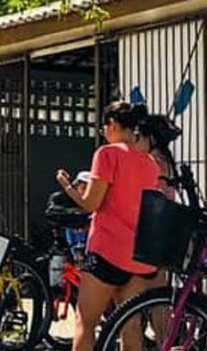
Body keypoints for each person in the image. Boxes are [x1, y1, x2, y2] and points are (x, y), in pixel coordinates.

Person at [55, 102, 160, 351]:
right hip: (138, 256)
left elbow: (91, 204)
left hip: (107, 251)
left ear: (112, 124)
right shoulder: (150, 163)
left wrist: (67, 186)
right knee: (131, 326)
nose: (103, 133)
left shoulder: (107, 154)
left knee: (85, 322)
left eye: (103, 128)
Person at [135, 114, 181, 200]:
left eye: (138, 137)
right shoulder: (164, 158)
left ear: (151, 138)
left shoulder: (152, 161)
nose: (134, 142)